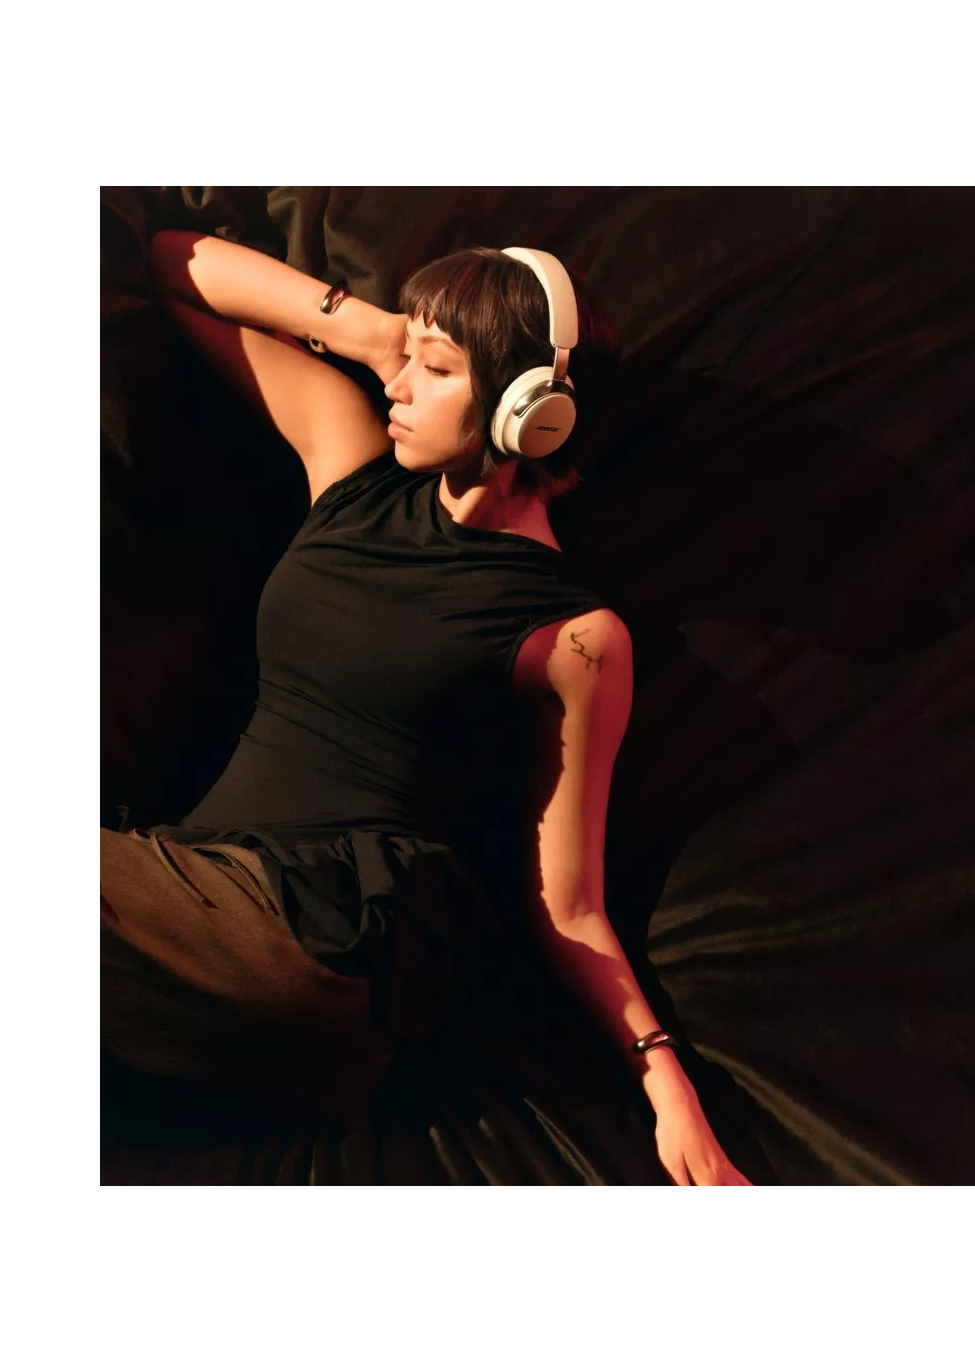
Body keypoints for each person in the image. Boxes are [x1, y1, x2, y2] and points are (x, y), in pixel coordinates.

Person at [101, 229, 751, 1186]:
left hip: (314, 948)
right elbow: (170, 262)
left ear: (534, 414)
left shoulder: (575, 637)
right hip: (188, 916)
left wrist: (668, 1089)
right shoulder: (351, 467)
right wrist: (371, 332)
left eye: (436, 368)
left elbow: (568, 904)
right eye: (409, 359)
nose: (400, 386)